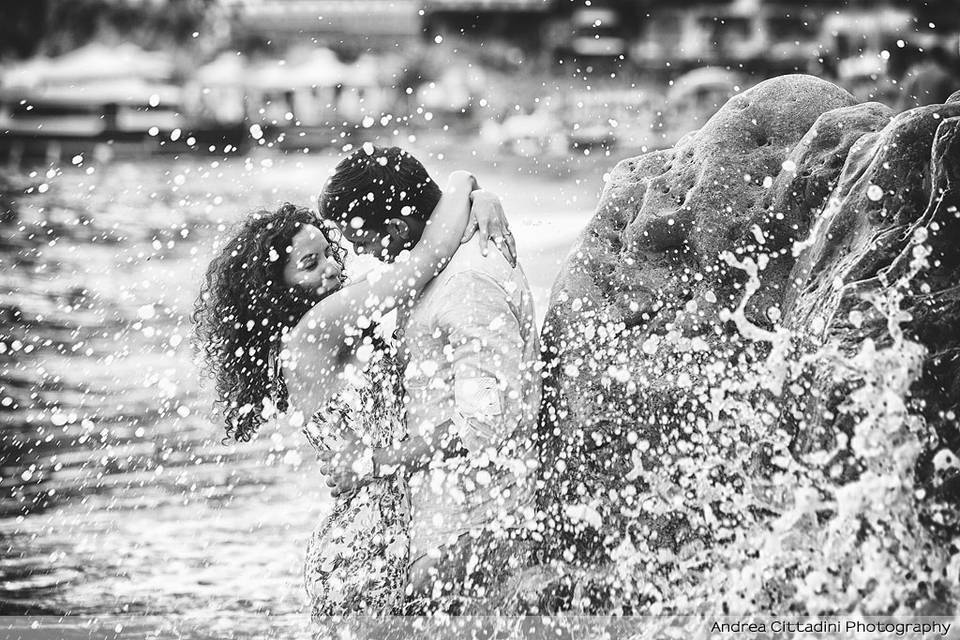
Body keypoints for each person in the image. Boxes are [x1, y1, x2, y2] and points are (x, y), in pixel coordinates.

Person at [193, 170, 516, 616]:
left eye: (328, 253)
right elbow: (428, 257)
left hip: (380, 529)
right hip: (367, 544)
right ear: (276, 290)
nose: (330, 267)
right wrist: (465, 183)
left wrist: (482, 195)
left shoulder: (333, 327)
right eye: (310, 265)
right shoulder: (317, 327)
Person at [317, 146, 541, 610]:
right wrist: (471, 187)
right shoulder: (435, 266)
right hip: (443, 523)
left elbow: (482, 424)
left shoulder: (467, 282)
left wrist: (374, 463)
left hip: (476, 525)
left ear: (398, 228)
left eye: (364, 243)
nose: (361, 257)